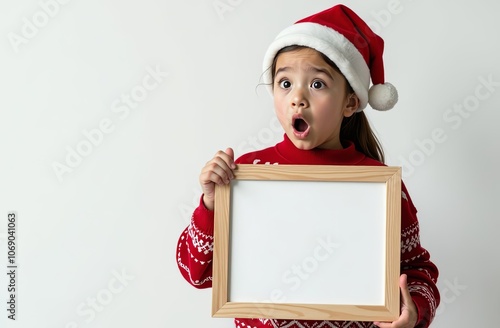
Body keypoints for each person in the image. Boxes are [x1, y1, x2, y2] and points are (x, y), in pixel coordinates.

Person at [176, 4, 440, 328]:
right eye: (285, 83)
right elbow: (198, 273)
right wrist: (211, 206)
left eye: (317, 84)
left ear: (350, 102)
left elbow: (416, 271)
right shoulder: (247, 173)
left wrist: (411, 313)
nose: (297, 98)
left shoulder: (380, 188)